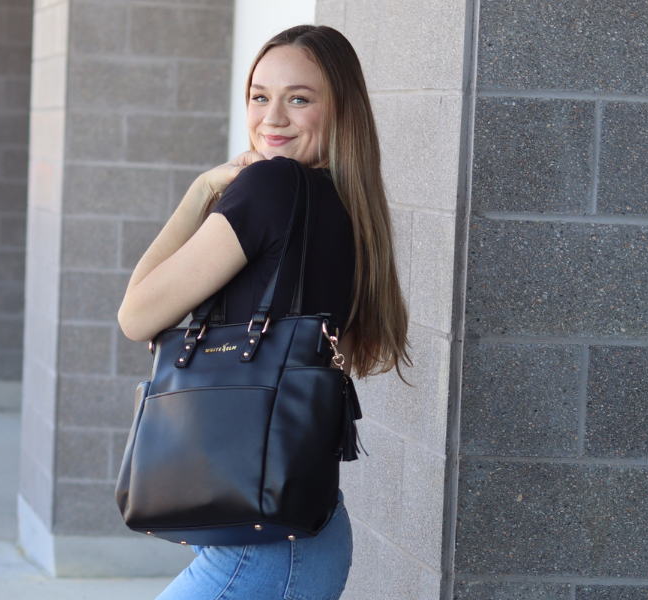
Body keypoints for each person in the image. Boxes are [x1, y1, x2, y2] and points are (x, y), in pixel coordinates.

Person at [118, 24, 410, 600]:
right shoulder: (344, 203)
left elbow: (136, 314)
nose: (272, 117)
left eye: (298, 98)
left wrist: (203, 188)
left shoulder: (272, 187)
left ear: (340, 110)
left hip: (263, 553)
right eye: (259, 96)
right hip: (297, 535)